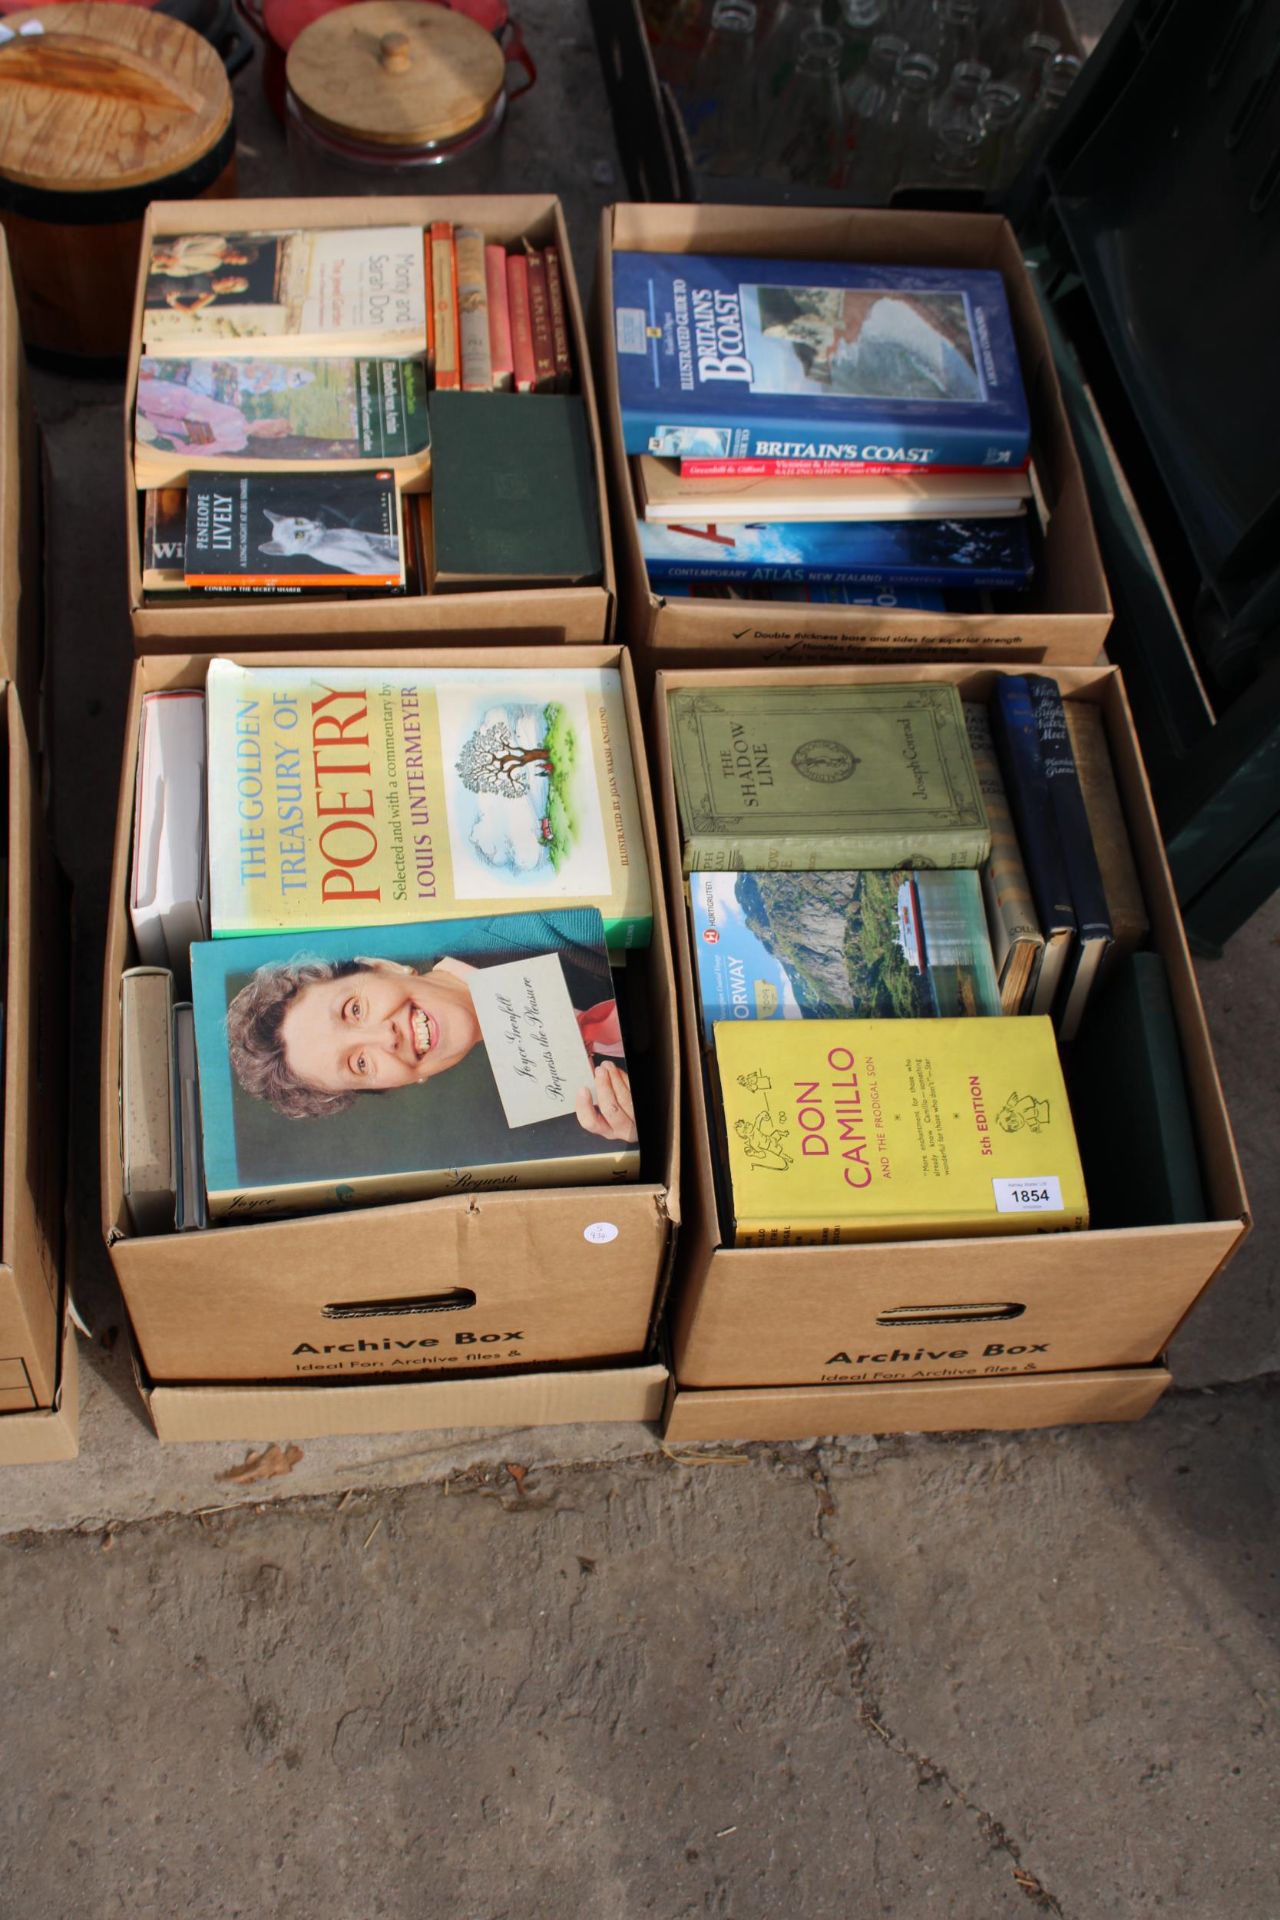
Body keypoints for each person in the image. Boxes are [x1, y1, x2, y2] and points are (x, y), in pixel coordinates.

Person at [225, 953, 637, 1144]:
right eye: (360, 1062)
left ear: (382, 966)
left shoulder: (520, 922)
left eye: (354, 1009)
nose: (386, 1038)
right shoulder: (571, 1126)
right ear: (404, 1082)